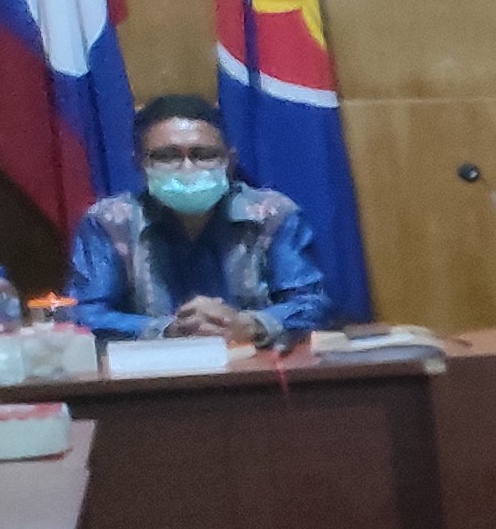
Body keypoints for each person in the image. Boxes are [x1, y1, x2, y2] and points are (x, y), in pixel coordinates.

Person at [66, 93, 330, 343]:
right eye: (167, 156)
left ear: (230, 161)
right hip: (152, 378)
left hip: (255, 373)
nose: (187, 169)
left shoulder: (273, 214)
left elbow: (311, 303)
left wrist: (250, 325)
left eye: (203, 155)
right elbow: (83, 314)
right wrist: (169, 330)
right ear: (139, 163)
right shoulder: (110, 222)